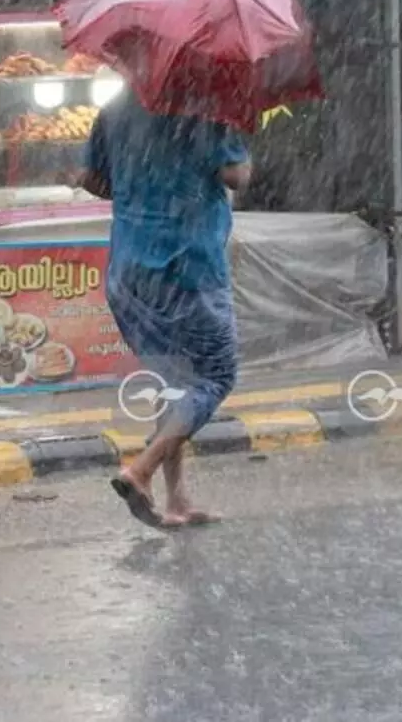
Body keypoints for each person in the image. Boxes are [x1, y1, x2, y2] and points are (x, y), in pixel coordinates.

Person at [81, 90, 251, 529]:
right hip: (188, 268)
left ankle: (177, 499)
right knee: (215, 375)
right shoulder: (208, 107)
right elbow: (235, 175)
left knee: (174, 379)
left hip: (129, 270)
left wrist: (144, 190)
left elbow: (92, 180)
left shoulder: (115, 110)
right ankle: (141, 469)